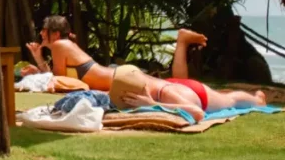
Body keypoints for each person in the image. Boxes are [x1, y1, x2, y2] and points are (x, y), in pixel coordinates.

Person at [110, 29, 267, 121]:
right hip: (178, 86)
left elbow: (198, 113)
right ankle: (182, 42)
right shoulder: (151, 85)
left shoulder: (166, 95)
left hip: (198, 94)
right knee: (180, 80)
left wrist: (153, 105)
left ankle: (258, 100)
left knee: (230, 100)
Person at [25, 15, 115, 90]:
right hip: (116, 79)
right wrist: (38, 57)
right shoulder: (64, 45)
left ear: (56, 34)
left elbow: (57, 80)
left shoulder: (59, 45)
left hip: (117, 80)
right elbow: (57, 79)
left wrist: (37, 72)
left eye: (44, 30)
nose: (41, 33)